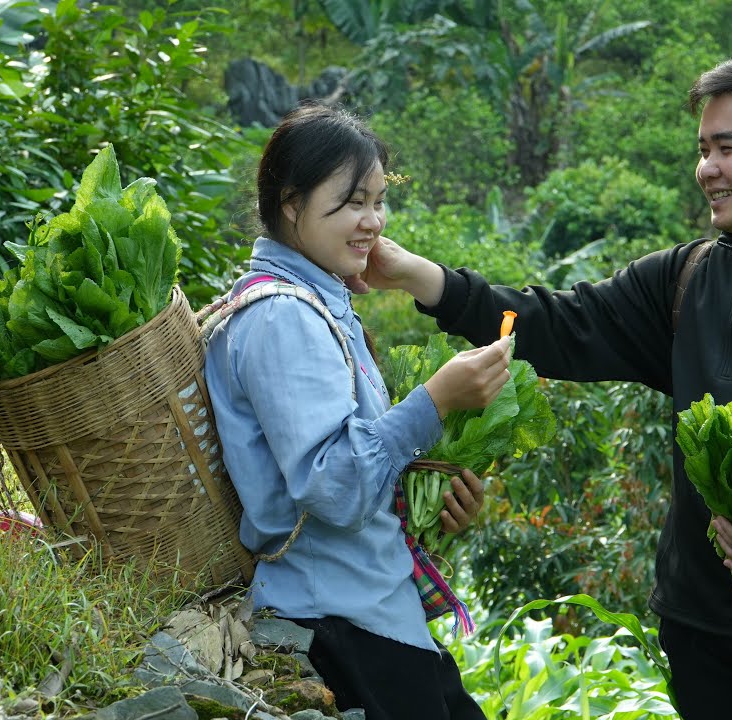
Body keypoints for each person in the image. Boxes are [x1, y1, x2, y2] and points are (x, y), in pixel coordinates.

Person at [353, 53, 732, 719]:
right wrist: (420, 277)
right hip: (698, 626)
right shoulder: (682, 280)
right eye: (701, 150)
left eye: (727, 148)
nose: (706, 169)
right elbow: (552, 326)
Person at [203, 103, 511, 719]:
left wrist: (432, 491)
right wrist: (435, 400)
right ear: (291, 203)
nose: (372, 221)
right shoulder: (283, 317)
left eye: (377, 200)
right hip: (344, 624)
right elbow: (334, 485)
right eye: (350, 203)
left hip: (375, 610)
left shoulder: (310, 301)